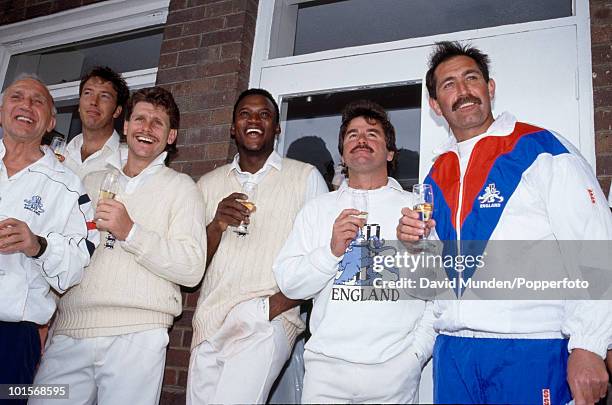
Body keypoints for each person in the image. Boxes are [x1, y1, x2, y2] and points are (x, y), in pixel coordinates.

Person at [397, 41, 612, 404]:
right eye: (448, 84)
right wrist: (414, 246)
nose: (463, 90)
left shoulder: (541, 148)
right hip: (453, 355)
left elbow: (595, 242)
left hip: (531, 350)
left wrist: (589, 344)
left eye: (471, 78)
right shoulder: (435, 175)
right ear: (436, 105)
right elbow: (431, 283)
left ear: (489, 87)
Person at [32, 87, 206, 405]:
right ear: (125, 126)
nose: (146, 128)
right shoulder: (90, 181)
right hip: (71, 329)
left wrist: (131, 232)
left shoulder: (183, 188)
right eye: (139, 118)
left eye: (158, 123)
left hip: (138, 332)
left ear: (171, 136)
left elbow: (192, 269)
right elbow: (65, 254)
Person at [273, 100, 436, 403]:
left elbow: (436, 291)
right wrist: (331, 251)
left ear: (390, 153)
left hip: (393, 373)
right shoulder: (317, 210)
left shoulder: (414, 211)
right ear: (343, 156)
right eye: (352, 134)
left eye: (373, 134)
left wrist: (414, 356)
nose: (361, 139)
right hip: (325, 373)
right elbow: (289, 283)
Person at [187, 88, 328, 404]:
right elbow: (192, 269)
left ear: (276, 128)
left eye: (264, 114)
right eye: (245, 114)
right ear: (232, 127)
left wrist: (270, 307)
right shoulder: (207, 184)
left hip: (266, 319)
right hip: (209, 322)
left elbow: (322, 258)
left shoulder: (305, 177)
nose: (254, 120)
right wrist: (217, 225)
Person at [0, 75, 96, 391]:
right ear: (2, 109)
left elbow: (77, 265)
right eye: (17, 97)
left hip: (11, 338)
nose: (26, 105)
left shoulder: (68, 187)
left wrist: (37, 245)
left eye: (37, 101)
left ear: (51, 121)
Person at [64, 66, 129, 179]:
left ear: (117, 111)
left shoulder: (126, 160)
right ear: (79, 105)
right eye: (88, 93)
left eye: (104, 96)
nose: (94, 102)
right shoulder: (61, 154)